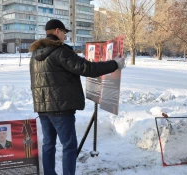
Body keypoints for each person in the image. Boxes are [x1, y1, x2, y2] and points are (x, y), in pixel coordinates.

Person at [29, 19, 125, 175]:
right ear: (57, 31)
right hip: (60, 108)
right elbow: (87, 68)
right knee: (69, 146)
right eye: (64, 32)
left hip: (42, 108)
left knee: (48, 144)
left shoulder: (35, 55)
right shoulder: (60, 51)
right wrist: (114, 64)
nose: (65, 36)